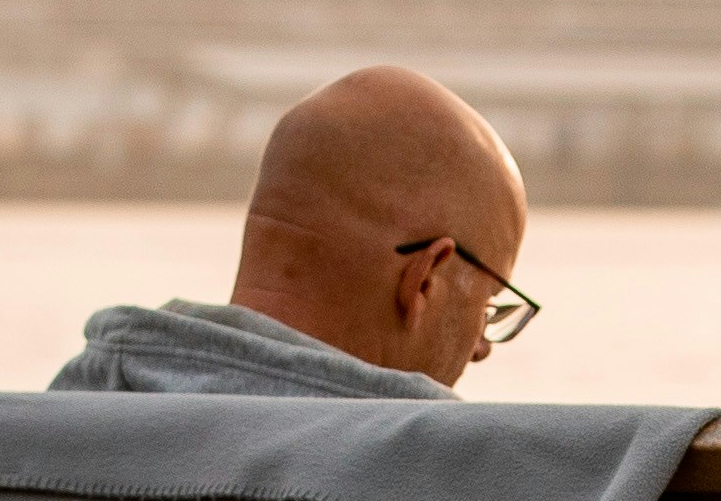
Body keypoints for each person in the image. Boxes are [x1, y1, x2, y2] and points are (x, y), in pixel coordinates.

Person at [53, 66, 541, 398]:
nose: (480, 348)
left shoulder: (45, 426)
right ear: (424, 278)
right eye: (488, 306)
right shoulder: (447, 481)